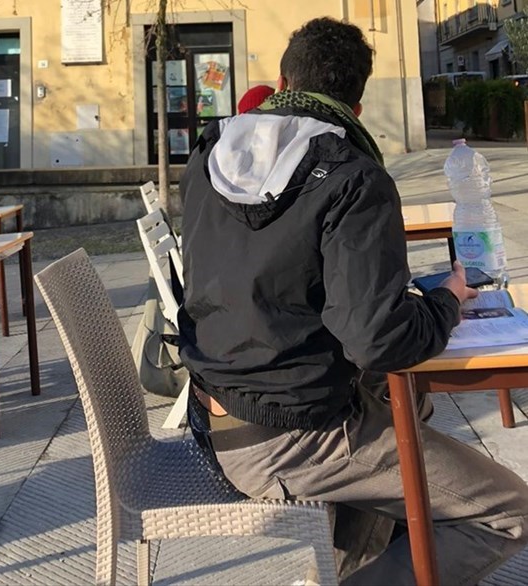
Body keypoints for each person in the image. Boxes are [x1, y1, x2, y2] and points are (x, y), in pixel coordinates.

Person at [178, 17, 528, 584]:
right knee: (510, 512)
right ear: (357, 104)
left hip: (220, 411)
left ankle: (353, 566)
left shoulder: (207, 156)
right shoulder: (354, 176)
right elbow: (380, 339)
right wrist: (448, 300)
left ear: (283, 79)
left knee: (405, 408)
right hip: (294, 433)